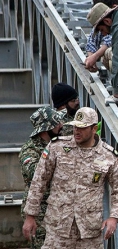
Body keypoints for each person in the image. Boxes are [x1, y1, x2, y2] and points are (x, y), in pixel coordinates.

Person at [22, 107, 118, 248]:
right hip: (58, 229)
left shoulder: (108, 155)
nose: (76, 131)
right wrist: (30, 216)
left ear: (94, 128)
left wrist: (114, 217)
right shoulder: (57, 147)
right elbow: (39, 181)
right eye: (74, 127)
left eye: (82, 127)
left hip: (89, 233)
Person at [19, 107, 65, 249]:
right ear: (46, 129)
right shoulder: (30, 150)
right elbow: (34, 173)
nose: (61, 125)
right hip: (40, 213)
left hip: (60, 209)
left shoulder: (58, 144)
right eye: (56, 123)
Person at [84, 0, 118, 71]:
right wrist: (90, 57)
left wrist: (95, 56)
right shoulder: (105, 13)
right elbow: (92, 40)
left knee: (109, 52)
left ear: (113, 7)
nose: (103, 33)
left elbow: (112, 39)